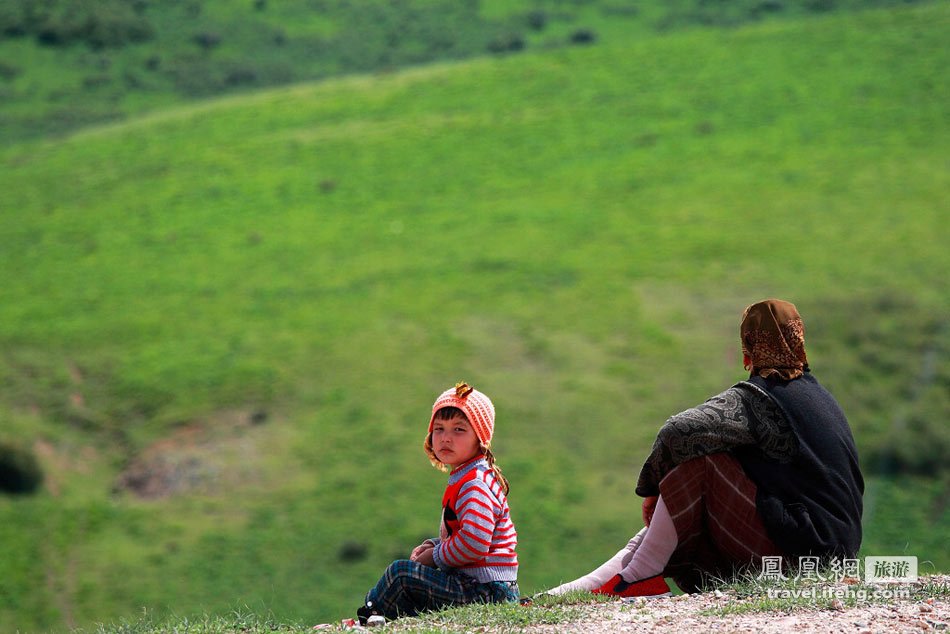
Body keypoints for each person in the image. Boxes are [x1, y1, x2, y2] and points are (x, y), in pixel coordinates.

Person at [544, 299, 864, 599]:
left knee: (702, 462)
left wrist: (653, 489)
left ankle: (640, 576)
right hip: (830, 556)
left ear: (748, 348)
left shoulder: (760, 399)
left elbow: (677, 432)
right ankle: (575, 592)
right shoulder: (819, 397)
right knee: (678, 508)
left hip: (801, 559)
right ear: (799, 341)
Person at [356, 382, 519, 624]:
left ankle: (366, 618)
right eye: (439, 428)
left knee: (401, 574)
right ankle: (381, 619)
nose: (446, 438)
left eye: (459, 430)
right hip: (481, 586)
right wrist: (435, 545)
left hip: (487, 591)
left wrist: (435, 556)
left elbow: (475, 543)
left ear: (480, 439)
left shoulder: (475, 483)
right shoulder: (467, 476)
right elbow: (464, 533)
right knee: (412, 578)